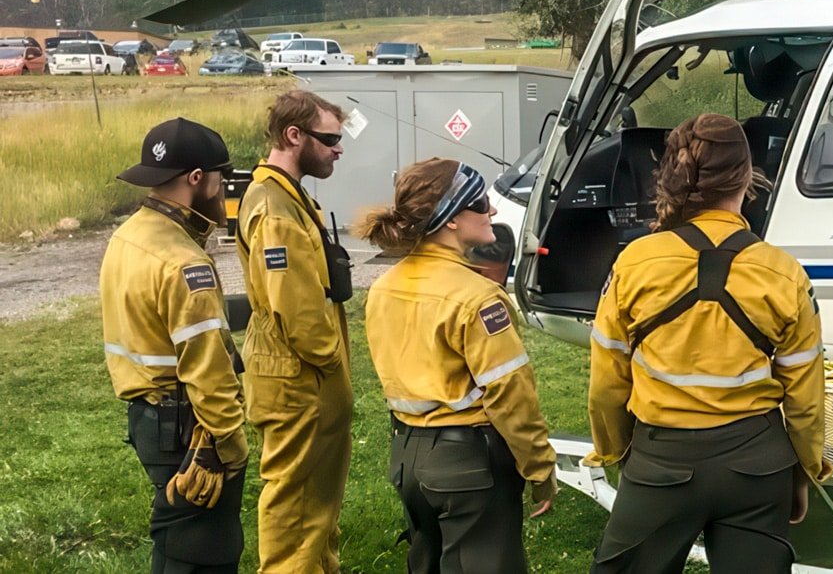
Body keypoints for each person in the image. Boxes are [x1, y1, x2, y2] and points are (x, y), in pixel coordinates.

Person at [586, 112, 830, 573]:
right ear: (747, 176)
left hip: (661, 462)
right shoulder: (784, 272)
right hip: (758, 466)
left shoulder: (635, 263)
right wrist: (805, 468)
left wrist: (615, 450)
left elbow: (607, 381)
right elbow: (805, 395)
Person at [360, 158, 557, 573]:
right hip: (468, 465)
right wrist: (540, 467)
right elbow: (511, 395)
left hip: (407, 455)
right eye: (481, 203)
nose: (493, 210)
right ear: (450, 219)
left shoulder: (383, 287)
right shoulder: (478, 298)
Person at [99, 118, 247, 573]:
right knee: (206, 552)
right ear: (197, 178)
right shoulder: (184, 262)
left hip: (147, 417)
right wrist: (229, 445)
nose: (224, 190)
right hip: (186, 428)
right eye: (221, 178)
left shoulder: (129, 235)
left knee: (177, 544)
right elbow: (208, 367)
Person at [236, 89, 354, 573]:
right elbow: (298, 312)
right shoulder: (275, 210)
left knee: (316, 506)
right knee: (297, 510)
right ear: (293, 135)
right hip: (299, 381)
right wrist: (330, 362)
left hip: (305, 378)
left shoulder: (287, 194)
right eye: (330, 140)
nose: (338, 150)